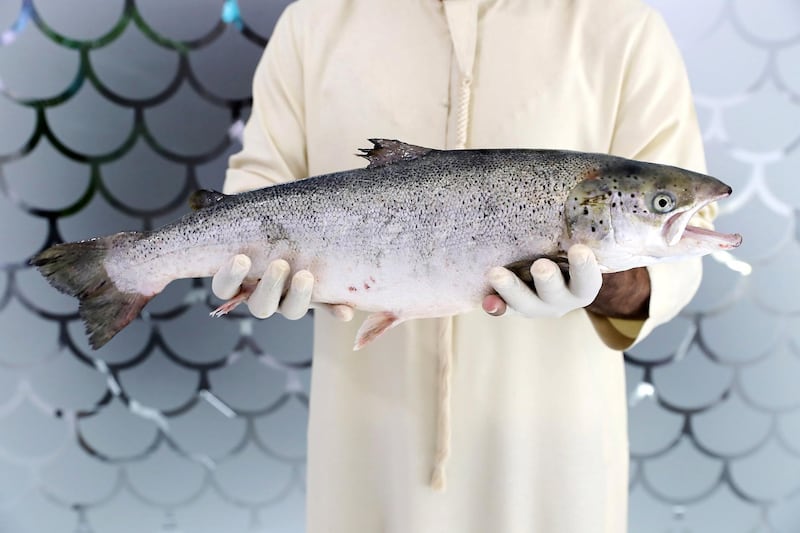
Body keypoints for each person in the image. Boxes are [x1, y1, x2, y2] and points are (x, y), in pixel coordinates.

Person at [214, 0, 715, 531]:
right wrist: (246, 264)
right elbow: (254, 191)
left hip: (554, 452)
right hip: (366, 442)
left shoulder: (624, 25)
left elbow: (685, 235)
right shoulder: (313, 21)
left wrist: (609, 283)